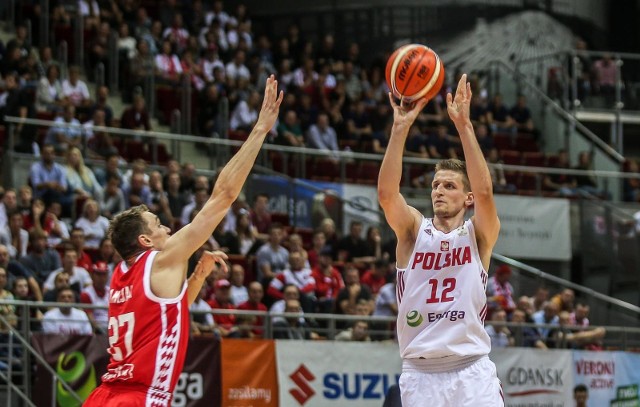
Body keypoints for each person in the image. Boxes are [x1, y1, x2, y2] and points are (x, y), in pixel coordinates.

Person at [84, 75, 282, 406]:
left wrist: (197, 277)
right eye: (159, 224)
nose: (167, 228)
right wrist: (260, 128)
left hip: (105, 395)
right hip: (141, 397)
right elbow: (224, 195)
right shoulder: (160, 258)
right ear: (146, 239)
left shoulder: (121, 273)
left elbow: (165, 317)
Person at [378, 74, 503, 406]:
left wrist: (464, 126)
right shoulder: (413, 231)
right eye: (435, 185)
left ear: (467, 198)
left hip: (472, 370)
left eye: (449, 186)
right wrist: (400, 127)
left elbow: (488, 193)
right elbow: (387, 196)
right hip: (421, 375)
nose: (438, 191)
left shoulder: (478, 235)